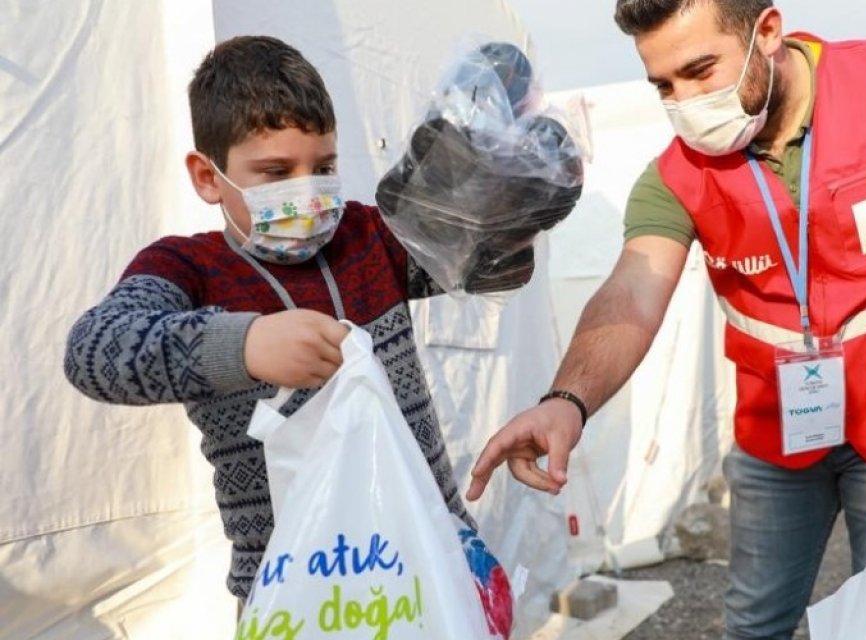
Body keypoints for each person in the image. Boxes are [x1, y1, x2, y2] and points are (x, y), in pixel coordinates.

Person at [466, 1, 866, 637]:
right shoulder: (675, 176)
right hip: (779, 430)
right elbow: (631, 291)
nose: (684, 101)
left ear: (766, 31)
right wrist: (566, 400)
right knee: (754, 622)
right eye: (664, 85)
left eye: (701, 69)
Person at [61, 36, 533, 605]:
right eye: (276, 172)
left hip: (429, 565)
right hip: (295, 594)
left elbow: (483, 266)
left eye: (324, 166)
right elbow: (93, 352)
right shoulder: (190, 268)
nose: (306, 191)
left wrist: (510, 189)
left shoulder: (368, 239)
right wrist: (244, 345)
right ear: (208, 177)